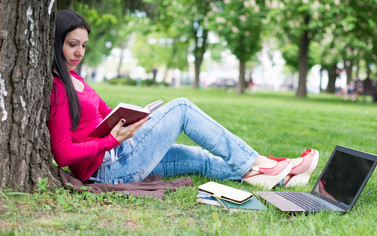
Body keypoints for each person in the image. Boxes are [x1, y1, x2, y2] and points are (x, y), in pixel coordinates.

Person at [47, 10, 319, 191]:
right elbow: (62, 154)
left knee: (201, 159)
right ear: (56, 41)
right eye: (72, 44)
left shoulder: (77, 79)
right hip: (109, 167)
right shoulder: (58, 89)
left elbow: (105, 114)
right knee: (182, 108)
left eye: (83, 45)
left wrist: (136, 119)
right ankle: (262, 164)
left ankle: (282, 175)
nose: (79, 52)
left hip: (121, 154)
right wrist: (111, 141)